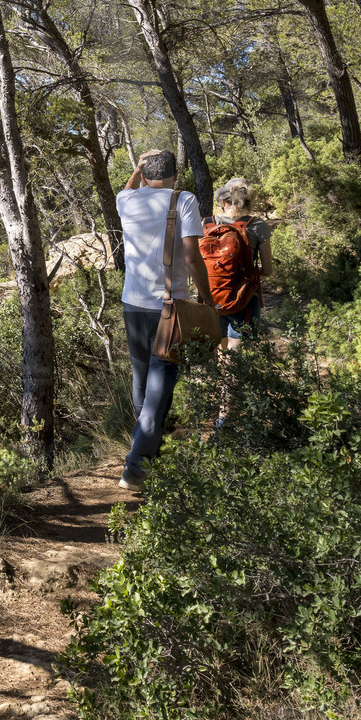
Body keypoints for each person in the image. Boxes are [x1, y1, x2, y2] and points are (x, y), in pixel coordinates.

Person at [116, 150, 214, 492]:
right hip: (168, 307)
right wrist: (209, 300)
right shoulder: (183, 199)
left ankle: (149, 452)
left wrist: (136, 169)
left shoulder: (125, 200)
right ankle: (136, 466)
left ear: (144, 175)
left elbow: (128, 188)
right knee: (161, 382)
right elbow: (191, 257)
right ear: (177, 173)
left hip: (132, 304)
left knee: (143, 379)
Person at [208, 177, 274, 350]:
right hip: (243, 297)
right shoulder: (257, 225)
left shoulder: (207, 224)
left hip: (212, 296)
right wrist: (243, 274)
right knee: (237, 356)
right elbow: (268, 270)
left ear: (223, 201)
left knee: (220, 353)